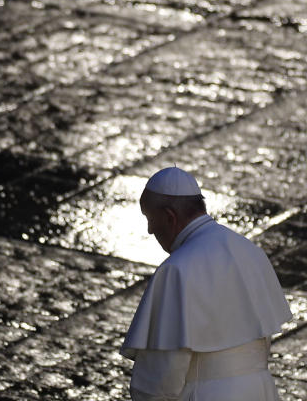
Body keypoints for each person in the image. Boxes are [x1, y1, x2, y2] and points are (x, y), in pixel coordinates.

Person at [120, 167, 291, 401]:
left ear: (170, 217)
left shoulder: (177, 269)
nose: (150, 230)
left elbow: (162, 375)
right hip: (260, 390)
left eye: (150, 219)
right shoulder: (250, 251)